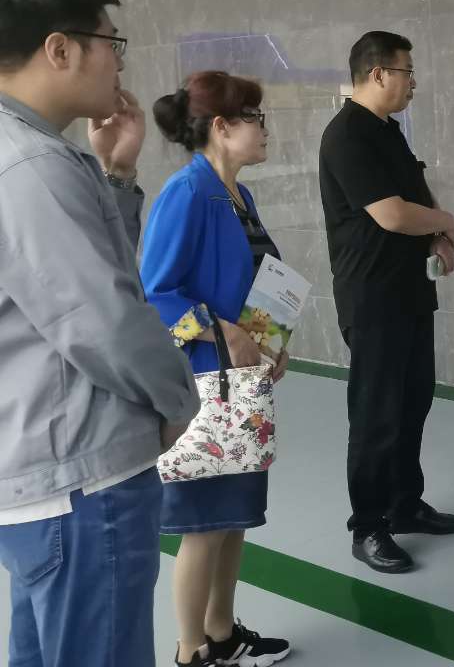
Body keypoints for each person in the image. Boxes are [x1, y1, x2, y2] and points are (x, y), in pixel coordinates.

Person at [0, 0, 199, 666]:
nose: (119, 62)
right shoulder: (28, 165)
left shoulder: (29, 153)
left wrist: (115, 173)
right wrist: (178, 400)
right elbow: (103, 320)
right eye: (111, 42)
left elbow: (69, 278)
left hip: (42, 471)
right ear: (60, 49)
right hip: (82, 480)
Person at [141, 72, 292, 667]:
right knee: (203, 525)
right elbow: (156, 293)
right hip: (207, 384)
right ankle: (190, 651)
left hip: (243, 383)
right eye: (255, 117)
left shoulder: (236, 195)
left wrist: (271, 341)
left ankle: (223, 634)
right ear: (222, 127)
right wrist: (222, 329)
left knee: (233, 518)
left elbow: (256, 282)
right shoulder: (187, 192)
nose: (265, 129)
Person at [318, 31, 454, 574]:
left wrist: (438, 236)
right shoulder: (346, 136)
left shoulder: (388, 131)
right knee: (376, 414)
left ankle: (405, 504)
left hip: (409, 291)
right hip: (372, 297)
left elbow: (414, 196)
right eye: (406, 72)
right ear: (377, 73)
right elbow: (392, 214)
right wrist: (446, 221)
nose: (413, 83)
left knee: (412, 400)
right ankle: (369, 526)